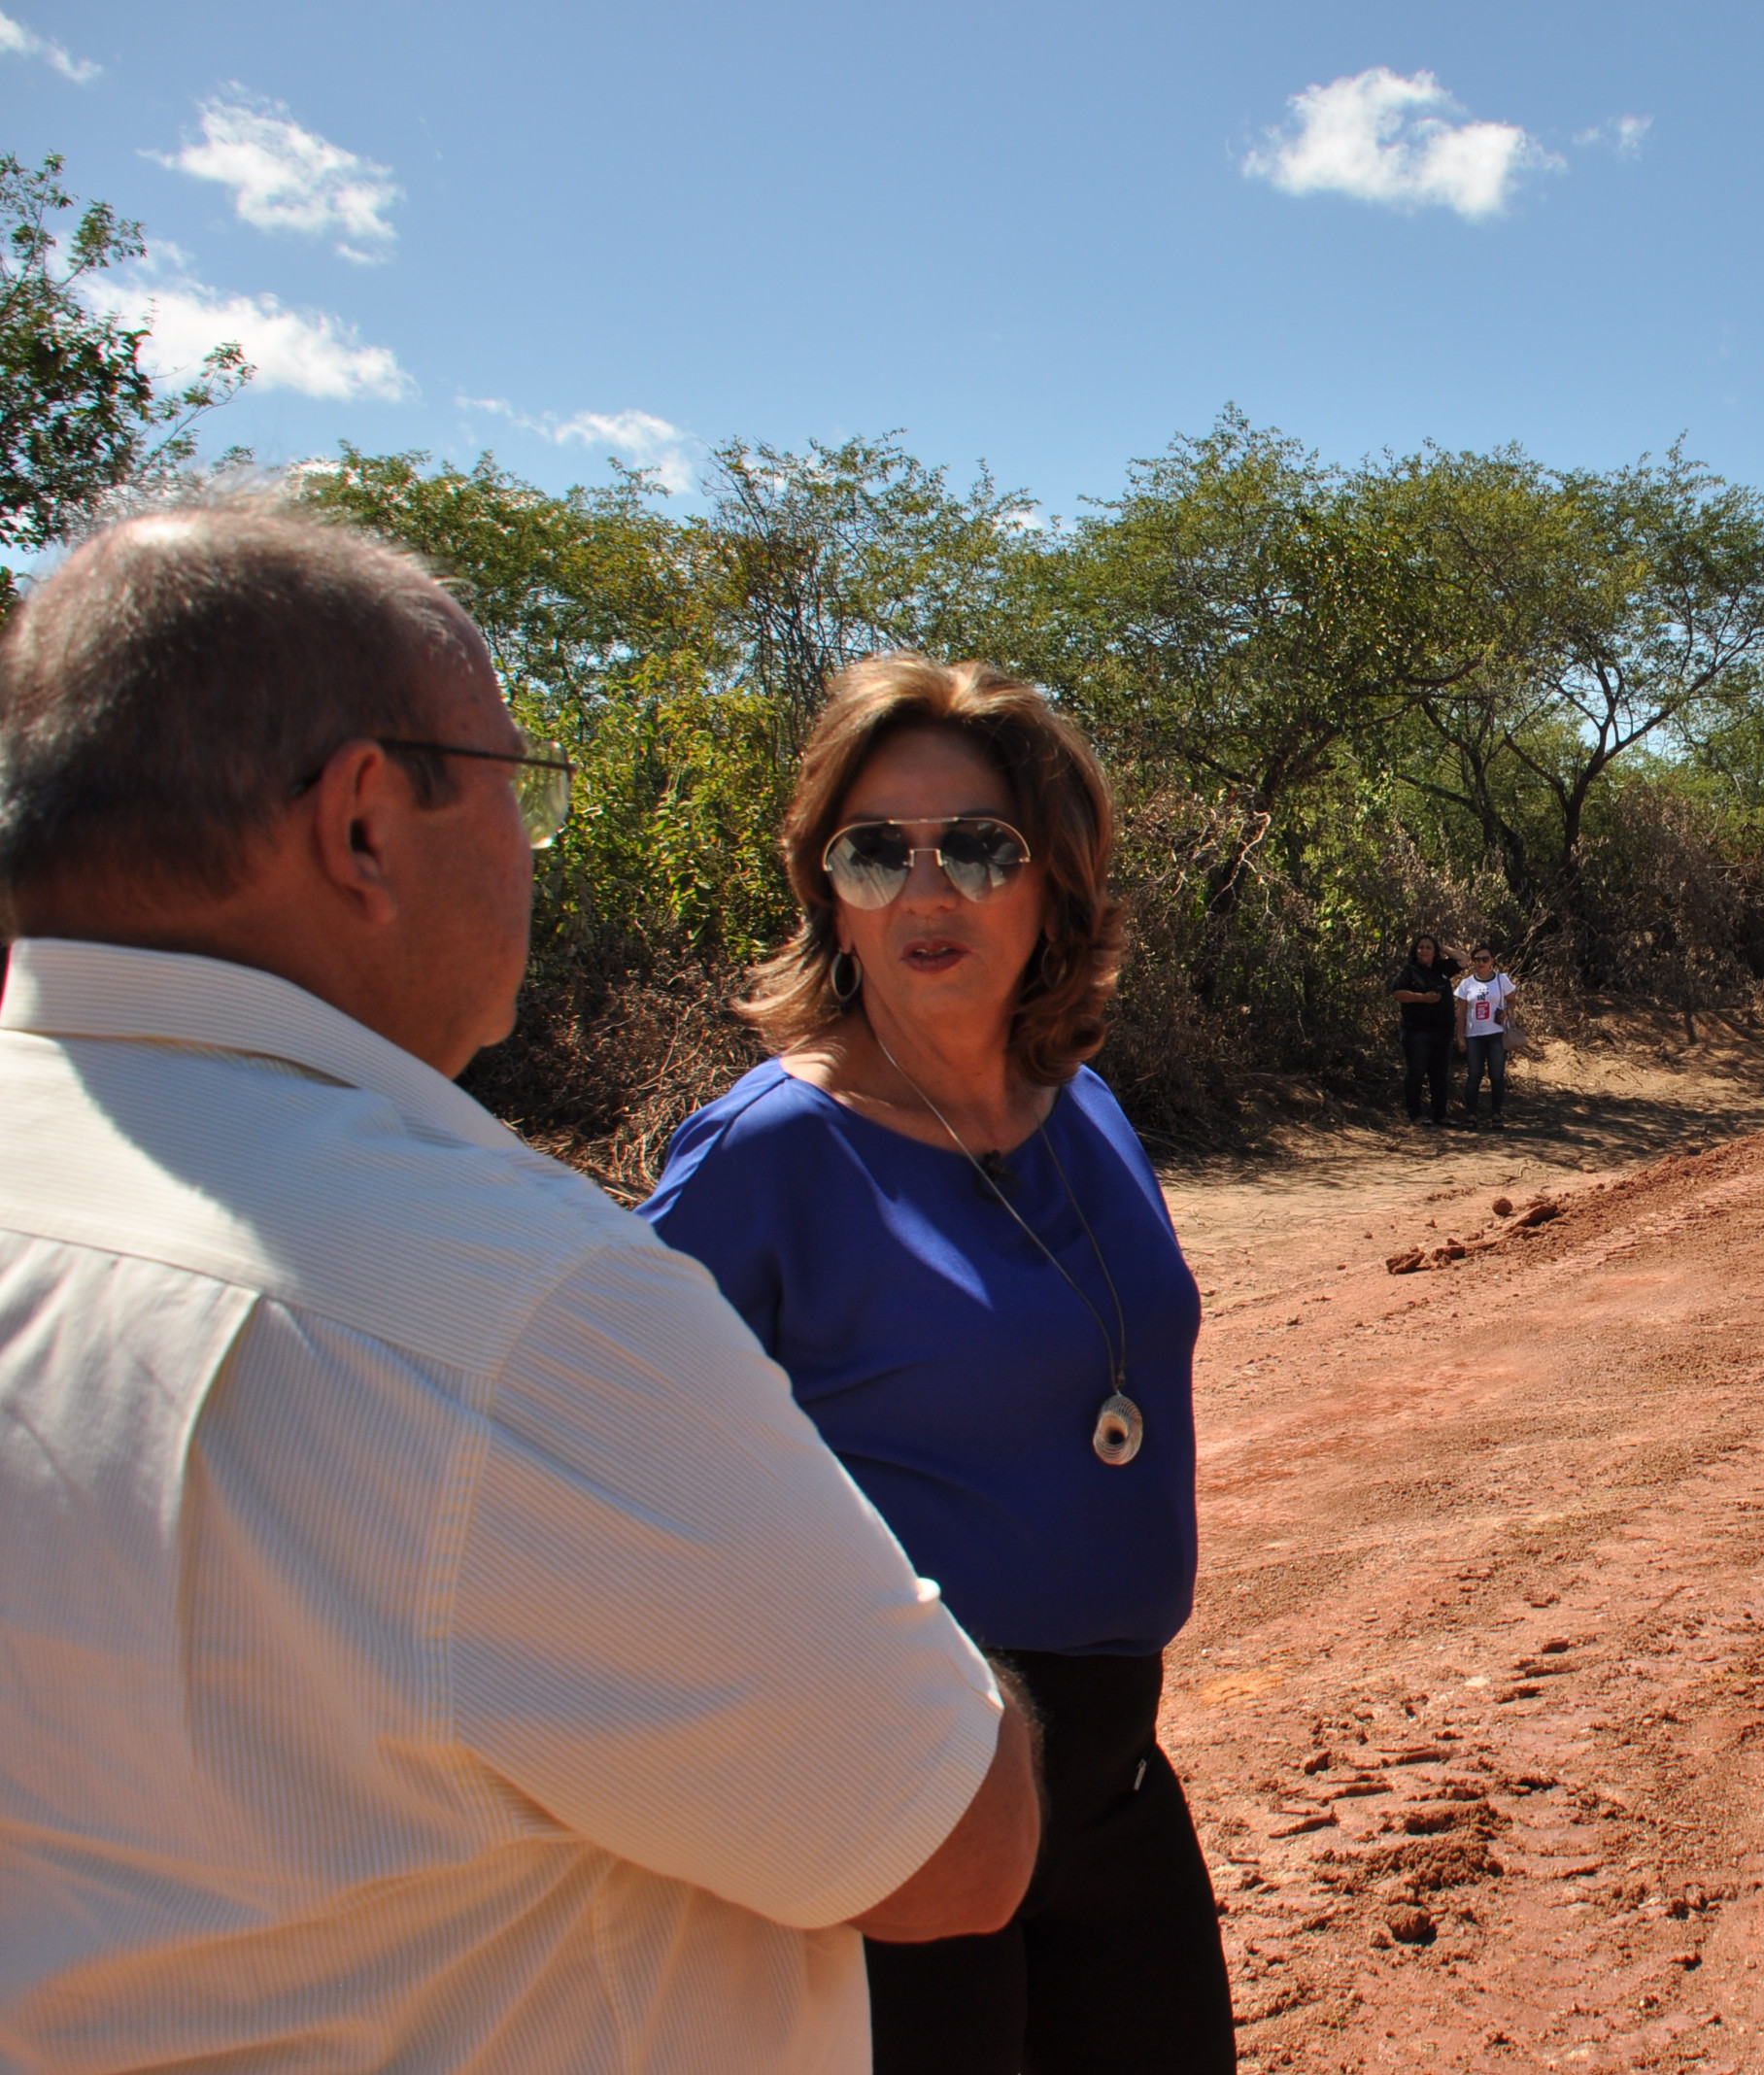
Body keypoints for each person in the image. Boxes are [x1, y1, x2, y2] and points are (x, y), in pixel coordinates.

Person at [0, 503, 1037, 2074]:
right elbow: (950, 1840)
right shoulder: (510, 1312)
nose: (527, 850)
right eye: (512, 789)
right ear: (364, 824)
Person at [639, 654, 1235, 2075]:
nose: (924, 890)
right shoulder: (765, 1151)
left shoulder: (1086, 1108)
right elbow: (630, 1489)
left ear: (1058, 881)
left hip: (1113, 1772)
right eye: (873, 851)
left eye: (977, 847)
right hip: (897, 1796)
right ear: (823, 886)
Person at [1389, 930, 1461, 1126]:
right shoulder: (1408, 971)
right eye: (1421, 947)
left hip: (1442, 1031)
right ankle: (1416, 1114)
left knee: (1439, 1074)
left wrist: (1442, 947)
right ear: (1415, 950)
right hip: (1416, 1031)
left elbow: (1463, 959)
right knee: (1416, 1071)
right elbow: (1398, 993)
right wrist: (1423, 998)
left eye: (1429, 947)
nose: (1425, 950)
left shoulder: (1442, 969)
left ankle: (1440, 1115)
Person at [1455, 942, 1516, 1124]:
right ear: (1473, 962)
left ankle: (1496, 1113)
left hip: (1496, 1034)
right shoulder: (1466, 984)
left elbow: (1512, 1000)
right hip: (1474, 1035)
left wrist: (1507, 1013)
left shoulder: (1501, 980)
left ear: (1492, 961)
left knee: (1497, 1075)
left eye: (1485, 959)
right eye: (1477, 959)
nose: (1481, 962)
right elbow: (1460, 1013)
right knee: (1474, 1075)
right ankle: (1471, 1114)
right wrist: (1460, 1037)